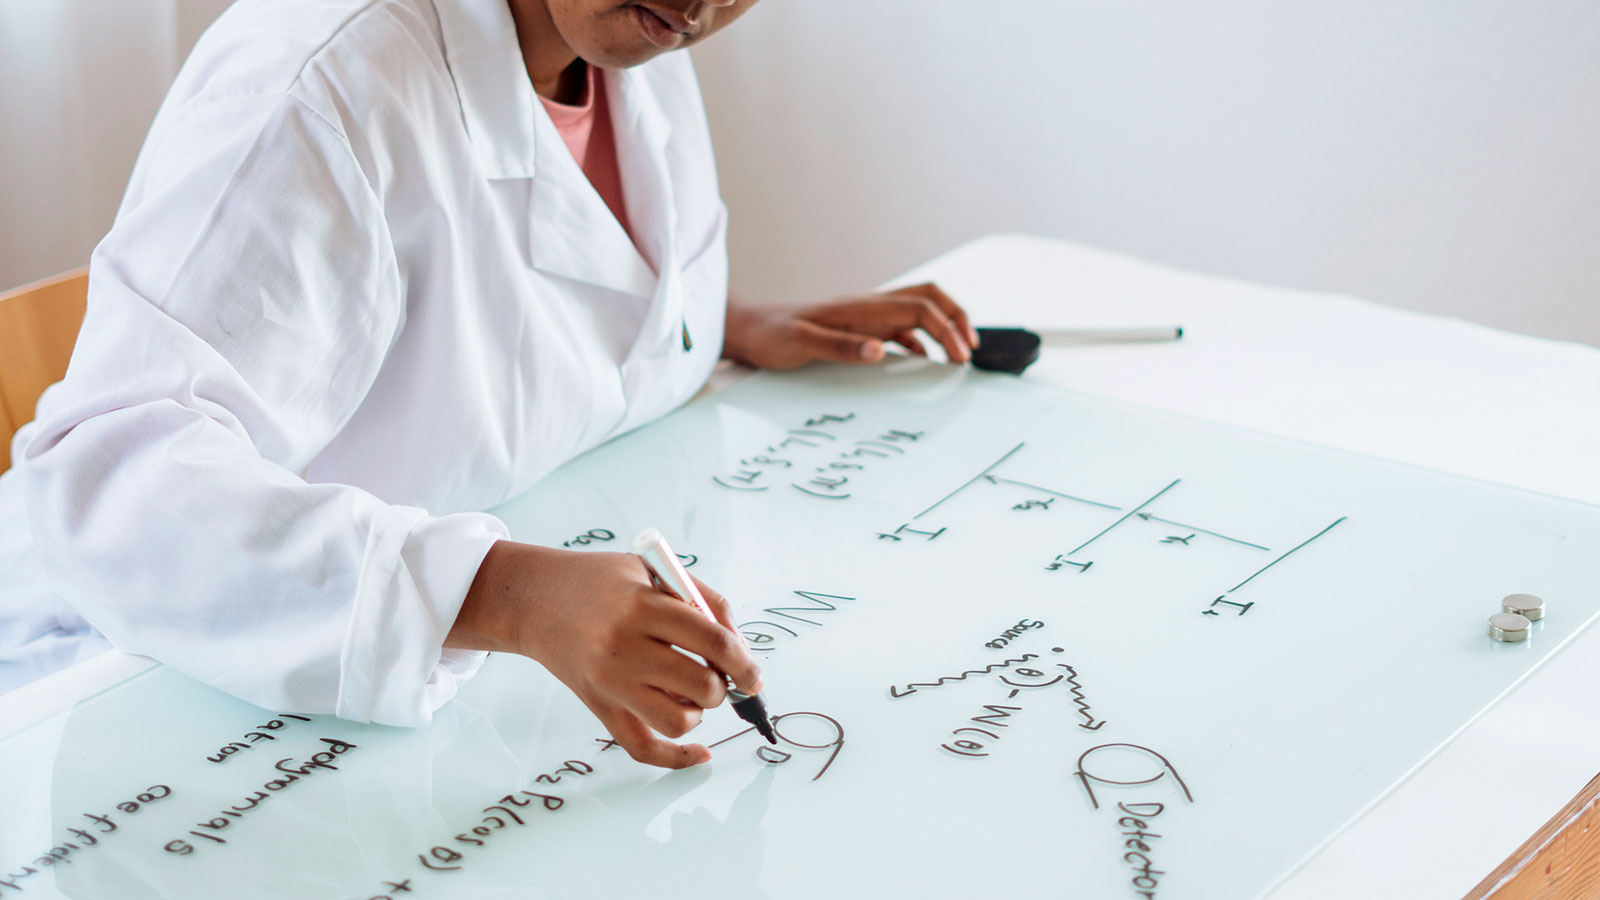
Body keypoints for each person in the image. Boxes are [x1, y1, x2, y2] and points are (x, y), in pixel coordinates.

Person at [0, 0, 979, 768]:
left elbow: (505, 290)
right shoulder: (314, 83)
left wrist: (700, 320)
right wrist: (503, 593)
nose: (707, 0)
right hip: (134, 670)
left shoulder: (629, 40)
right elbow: (111, 487)